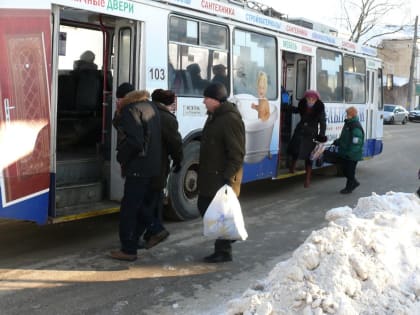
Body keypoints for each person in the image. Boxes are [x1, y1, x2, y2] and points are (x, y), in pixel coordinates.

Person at [110, 87, 165, 261]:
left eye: (118, 98)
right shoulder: (149, 106)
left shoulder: (130, 110)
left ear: (124, 98)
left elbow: (135, 141)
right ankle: (152, 230)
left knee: (129, 208)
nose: (116, 102)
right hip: (152, 165)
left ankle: (129, 249)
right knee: (139, 205)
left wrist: (121, 157)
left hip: (138, 166)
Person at [198, 82, 245, 263]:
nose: (204, 102)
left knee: (218, 213)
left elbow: (237, 153)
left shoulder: (229, 119)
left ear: (216, 100)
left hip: (222, 178)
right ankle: (225, 242)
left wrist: (228, 178)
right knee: (206, 207)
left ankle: (224, 249)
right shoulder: (214, 116)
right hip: (212, 176)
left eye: (207, 98)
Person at [139, 89, 184, 246]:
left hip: (140, 165)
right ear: (169, 103)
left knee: (145, 199)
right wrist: (179, 161)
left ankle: (151, 232)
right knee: (153, 199)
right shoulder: (167, 118)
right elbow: (175, 144)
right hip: (158, 166)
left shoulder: (143, 111)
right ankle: (156, 230)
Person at [288, 90, 327, 188]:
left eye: (312, 99)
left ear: (316, 99)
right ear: (306, 99)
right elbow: (296, 110)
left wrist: (321, 136)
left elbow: (323, 123)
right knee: (295, 150)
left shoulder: (319, 109)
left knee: (309, 157)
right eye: (308, 98)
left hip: (311, 135)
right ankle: (292, 167)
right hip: (300, 131)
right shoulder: (303, 105)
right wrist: (284, 107)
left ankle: (307, 179)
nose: (310, 100)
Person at [333, 106, 364, 194]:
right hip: (346, 152)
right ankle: (354, 183)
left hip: (352, 154)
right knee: (345, 170)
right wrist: (337, 142)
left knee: (350, 172)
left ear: (352, 115)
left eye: (348, 114)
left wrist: (350, 153)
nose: (346, 116)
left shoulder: (355, 126)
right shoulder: (348, 124)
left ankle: (349, 187)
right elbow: (344, 138)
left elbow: (356, 143)